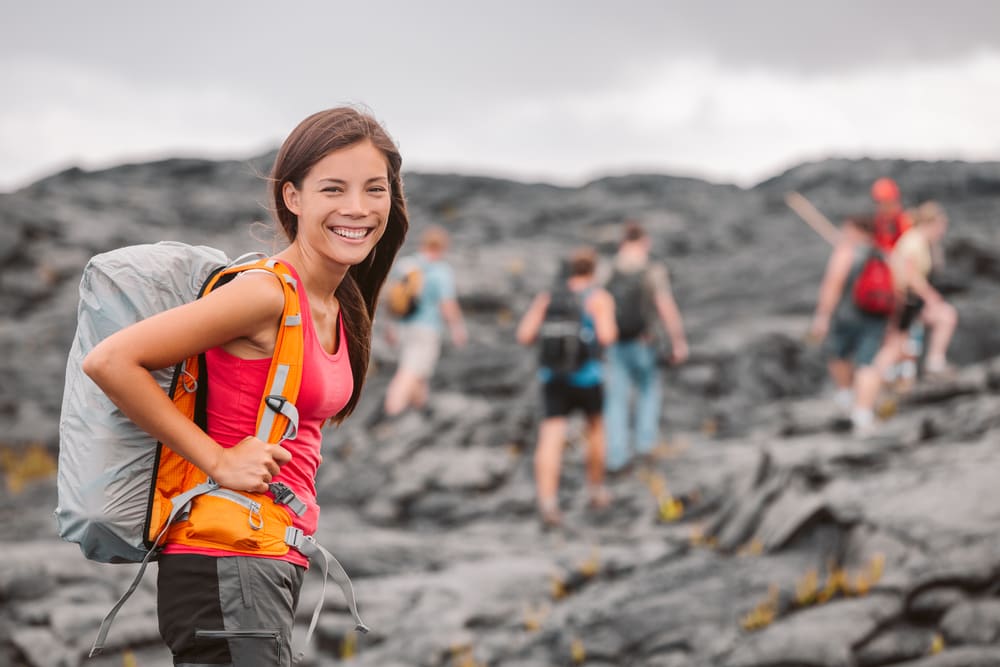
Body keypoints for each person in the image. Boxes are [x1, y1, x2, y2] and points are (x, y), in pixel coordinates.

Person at [82, 107, 408, 666]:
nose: (357, 207)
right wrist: (219, 460)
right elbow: (112, 361)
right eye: (333, 188)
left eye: (374, 189)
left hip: (268, 556)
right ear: (293, 197)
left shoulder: (336, 301)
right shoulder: (263, 294)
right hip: (225, 555)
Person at [516, 246, 617, 526]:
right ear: (594, 270)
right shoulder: (598, 298)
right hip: (588, 378)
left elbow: (524, 334)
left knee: (550, 437)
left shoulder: (549, 297)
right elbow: (608, 336)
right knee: (595, 428)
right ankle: (596, 490)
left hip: (553, 378)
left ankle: (547, 501)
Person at [603, 221, 689, 474]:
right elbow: (665, 306)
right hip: (644, 342)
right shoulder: (651, 269)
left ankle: (617, 456)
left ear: (622, 241)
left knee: (616, 400)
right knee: (649, 391)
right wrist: (678, 340)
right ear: (645, 242)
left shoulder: (609, 269)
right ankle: (645, 445)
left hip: (614, 345)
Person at [810, 215, 891, 436]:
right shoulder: (883, 254)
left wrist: (822, 316)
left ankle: (847, 397)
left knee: (838, 354)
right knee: (868, 364)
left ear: (856, 229)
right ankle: (863, 414)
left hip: (847, 316)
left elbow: (832, 285)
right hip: (877, 317)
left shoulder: (846, 252)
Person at [383, 225, 467, 417]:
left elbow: (391, 299)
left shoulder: (405, 266)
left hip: (403, 327)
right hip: (426, 329)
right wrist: (457, 328)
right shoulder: (440, 271)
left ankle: (421, 410)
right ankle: (392, 411)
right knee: (409, 372)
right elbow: (447, 304)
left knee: (420, 371)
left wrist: (390, 328)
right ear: (442, 247)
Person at [875, 201, 958, 382]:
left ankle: (896, 375)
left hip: (909, 301)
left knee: (903, 342)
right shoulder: (914, 241)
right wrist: (930, 296)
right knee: (897, 344)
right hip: (905, 301)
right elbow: (909, 273)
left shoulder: (920, 241)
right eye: (941, 225)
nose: (943, 230)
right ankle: (876, 376)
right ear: (932, 223)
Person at [871, 177, 913, 254]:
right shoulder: (879, 220)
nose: (882, 208)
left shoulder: (904, 222)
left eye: (887, 203)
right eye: (880, 203)